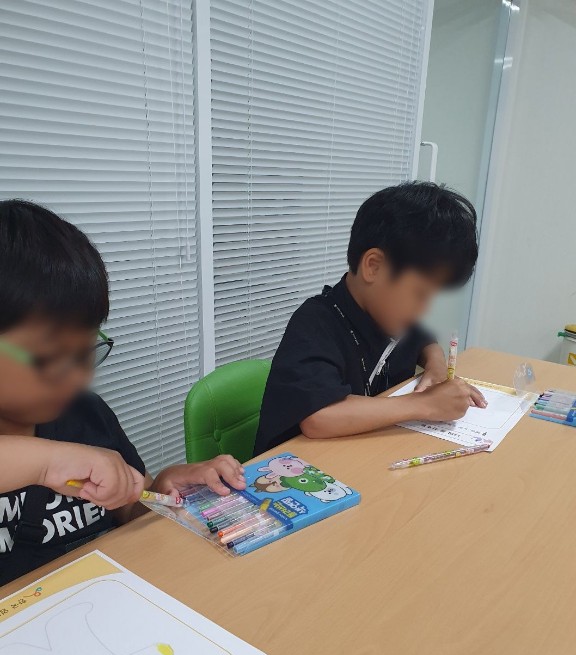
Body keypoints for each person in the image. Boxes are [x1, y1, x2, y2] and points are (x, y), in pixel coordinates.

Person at [0, 200, 245, 585]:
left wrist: (161, 491)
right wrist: (47, 463)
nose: (78, 377)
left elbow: (129, 508)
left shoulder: (86, 414)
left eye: (85, 352)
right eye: (51, 357)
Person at [254, 182, 486, 454]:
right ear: (374, 266)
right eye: (420, 293)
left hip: (360, 456)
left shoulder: (388, 316)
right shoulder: (315, 322)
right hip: (297, 468)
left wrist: (435, 365)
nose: (424, 309)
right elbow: (319, 417)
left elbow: (423, 339)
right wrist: (425, 404)